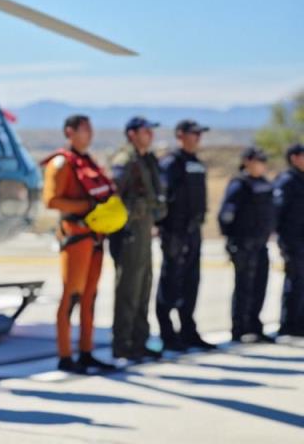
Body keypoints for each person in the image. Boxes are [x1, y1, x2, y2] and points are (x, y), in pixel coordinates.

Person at [42, 115, 118, 374]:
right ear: (69, 132)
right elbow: (51, 201)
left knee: (90, 296)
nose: (90, 134)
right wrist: (86, 207)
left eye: (90, 128)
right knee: (71, 295)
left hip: (95, 237)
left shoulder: (89, 162)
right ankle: (65, 355)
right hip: (75, 236)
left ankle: (86, 351)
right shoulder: (61, 163)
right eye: (84, 129)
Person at [156, 120, 217, 351]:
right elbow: (163, 199)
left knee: (191, 284)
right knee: (170, 283)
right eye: (194, 134)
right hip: (175, 232)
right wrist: (166, 228)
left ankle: (188, 331)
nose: (198, 138)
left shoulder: (196, 163)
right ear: (180, 135)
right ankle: (167, 335)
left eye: (200, 134)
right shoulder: (171, 163)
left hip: (193, 232)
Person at [109, 117, 165, 361]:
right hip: (129, 231)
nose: (150, 135)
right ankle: (123, 343)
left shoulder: (147, 159)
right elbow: (114, 196)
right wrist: (134, 213)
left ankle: (140, 340)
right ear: (132, 134)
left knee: (143, 287)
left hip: (144, 228)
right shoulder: (125, 160)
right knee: (129, 289)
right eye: (145, 131)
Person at [219, 146, 276, 343]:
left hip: (261, 243)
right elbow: (226, 215)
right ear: (247, 161)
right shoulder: (240, 184)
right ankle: (239, 328)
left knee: (259, 285)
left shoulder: (264, 184)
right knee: (244, 286)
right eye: (259, 160)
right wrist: (231, 240)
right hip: (243, 243)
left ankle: (254, 326)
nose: (262, 165)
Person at [275, 143, 304, 337]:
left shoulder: (301, 179)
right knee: (294, 281)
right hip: (292, 240)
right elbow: (277, 211)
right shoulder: (287, 180)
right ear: (294, 158)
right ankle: (289, 324)